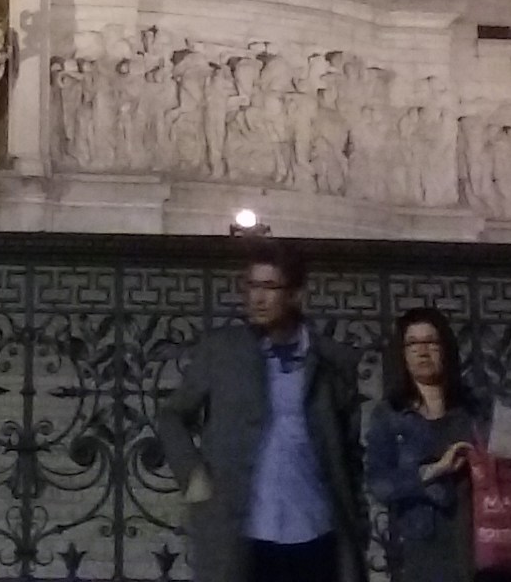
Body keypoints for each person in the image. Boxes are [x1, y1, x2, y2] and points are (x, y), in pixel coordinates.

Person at [157, 244, 369, 582]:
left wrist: (358, 522)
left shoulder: (331, 360)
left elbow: (349, 450)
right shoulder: (223, 351)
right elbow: (172, 416)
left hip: (316, 527)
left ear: (296, 294)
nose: (257, 298)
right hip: (244, 529)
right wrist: (193, 476)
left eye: (269, 287)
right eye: (251, 286)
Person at [365, 306, 511, 582]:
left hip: (488, 544)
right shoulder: (390, 415)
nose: (422, 350)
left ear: (445, 348)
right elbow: (379, 483)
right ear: (402, 354)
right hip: (428, 551)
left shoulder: (475, 404)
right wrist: (435, 470)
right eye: (412, 343)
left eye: (430, 341)